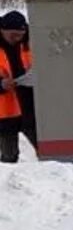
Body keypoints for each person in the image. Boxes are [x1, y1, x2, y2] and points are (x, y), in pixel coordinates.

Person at [0, 10, 36, 163]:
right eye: (13, 35)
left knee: (50, 152)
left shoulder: (30, 41)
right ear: (2, 30)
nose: (17, 39)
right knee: (9, 158)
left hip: (30, 105)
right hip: (5, 113)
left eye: (20, 35)